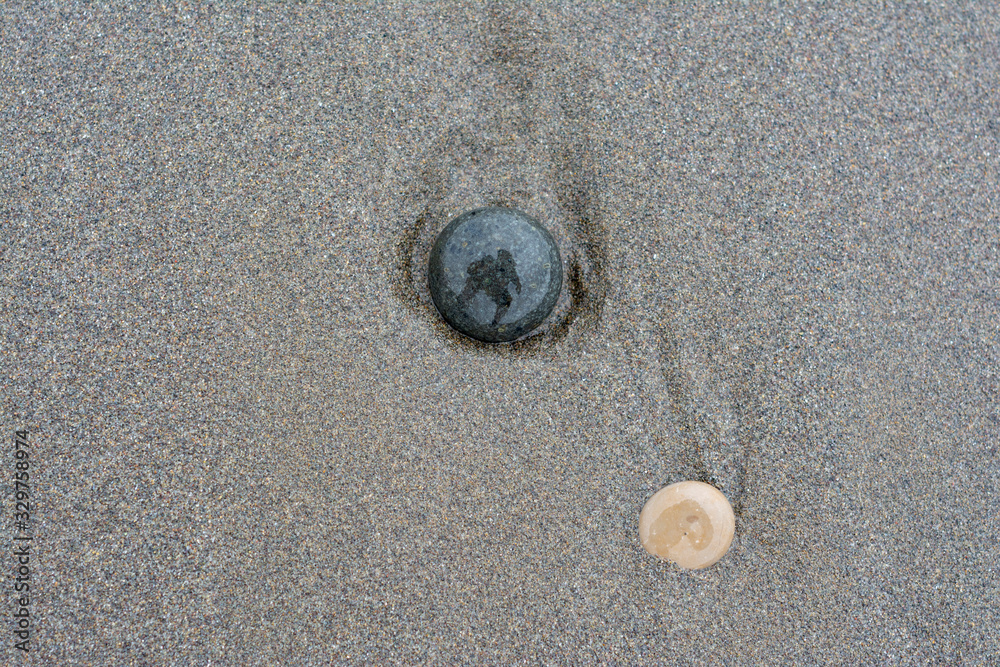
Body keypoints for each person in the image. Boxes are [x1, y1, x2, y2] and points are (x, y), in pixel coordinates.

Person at [459, 249, 522, 325]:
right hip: (485, 284)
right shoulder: (489, 263)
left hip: (495, 289)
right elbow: (471, 269)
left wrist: (517, 285)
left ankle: (496, 320)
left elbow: (514, 279)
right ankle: (462, 305)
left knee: (504, 301)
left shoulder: (507, 270)